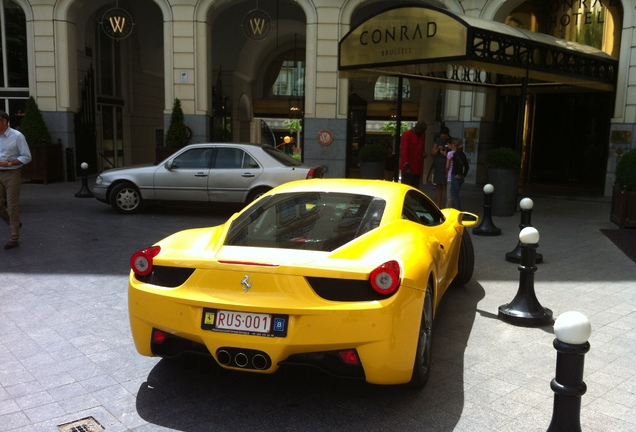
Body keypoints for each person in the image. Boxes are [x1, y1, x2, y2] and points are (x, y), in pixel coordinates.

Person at [0, 110, 32, 249]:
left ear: (4, 122)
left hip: (11, 173)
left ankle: (14, 238)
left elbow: (27, 156)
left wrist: (10, 163)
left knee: (12, 205)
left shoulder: (17, 136)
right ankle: (14, 223)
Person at [399, 121, 427, 188]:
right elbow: (404, 151)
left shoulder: (421, 136)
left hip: (418, 167)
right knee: (407, 188)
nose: (423, 133)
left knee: (416, 188)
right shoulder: (407, 135)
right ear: (418, 128)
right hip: (409, 168)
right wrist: (406, 165)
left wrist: (423, 154)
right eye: (422, 131)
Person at [446, 138, 469, 210]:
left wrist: (458, 174)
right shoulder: (463, 154)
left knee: (453, 196)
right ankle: (456, 210)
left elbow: (460, 163)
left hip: (454, 176)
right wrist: (463, 175)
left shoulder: (454, 154)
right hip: (460, 177)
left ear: (454, 145)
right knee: (455, 194)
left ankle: (456, 211)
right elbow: (467, 166)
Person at [431, 126, 451, 207]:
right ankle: (438, 204)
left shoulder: (451, 141)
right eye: (441, 136)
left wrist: (445, 153)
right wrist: (438, 149)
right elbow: (432, 153)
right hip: (439, 164)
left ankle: (447, 205)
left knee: (447, 186)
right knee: (439, 185)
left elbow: (454, 154)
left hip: (448, 164)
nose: (443, 138)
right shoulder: (438, 140)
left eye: (444, 136)